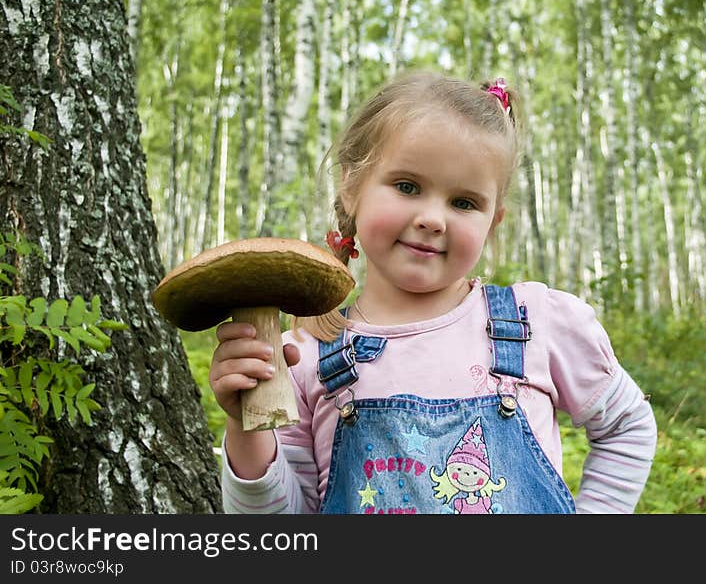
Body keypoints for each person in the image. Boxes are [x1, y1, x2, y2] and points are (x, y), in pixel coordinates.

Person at [210, 70, 657, 514]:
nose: (433, 218)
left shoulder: (535, 323)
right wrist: (245, 426)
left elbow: (627, 427)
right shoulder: (304, 357)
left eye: (464, 203)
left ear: (492, 221)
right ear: (350, 187)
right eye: (407, 186)